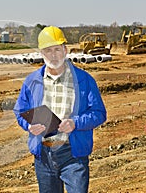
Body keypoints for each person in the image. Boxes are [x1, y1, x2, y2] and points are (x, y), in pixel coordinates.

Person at [13, 26, 107, 193]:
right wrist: (29, 126)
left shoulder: (84, 80)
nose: (53, 55)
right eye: (48, 50)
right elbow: (20, 111)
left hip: (73, 155)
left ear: (65, 50)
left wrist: (75, 123)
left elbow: (99, 113)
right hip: (43, 156)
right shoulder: (31, 81)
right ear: (41, 53)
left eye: (57, 49)